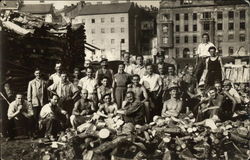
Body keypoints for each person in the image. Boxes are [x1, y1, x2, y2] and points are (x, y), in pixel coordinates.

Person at [27, 68, 48, 134]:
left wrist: (46, 101)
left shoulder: (44, 82)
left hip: (42, 102)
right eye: (36, 73)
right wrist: (29, 101)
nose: (38, 75)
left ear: (40, 74)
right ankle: (34, 132)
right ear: (34, 74)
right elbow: (29, 93)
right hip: (35, 102)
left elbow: (46, 93)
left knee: (42, 116)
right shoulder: (31, 82)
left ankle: (41, 131)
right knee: (35, 117)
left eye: (39, 73)